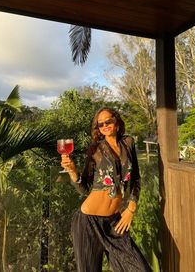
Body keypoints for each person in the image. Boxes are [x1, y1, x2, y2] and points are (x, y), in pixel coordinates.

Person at [61, 107, 151, 272]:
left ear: (116, 122)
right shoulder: (95, 150)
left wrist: (131, 208)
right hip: (87, 222)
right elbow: (85, 188)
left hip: (114, 223)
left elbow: (136, 178)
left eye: (108, 121)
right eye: (100, 124)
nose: (104, 125)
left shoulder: (128, 142)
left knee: (140, 268)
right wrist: (73, 171)